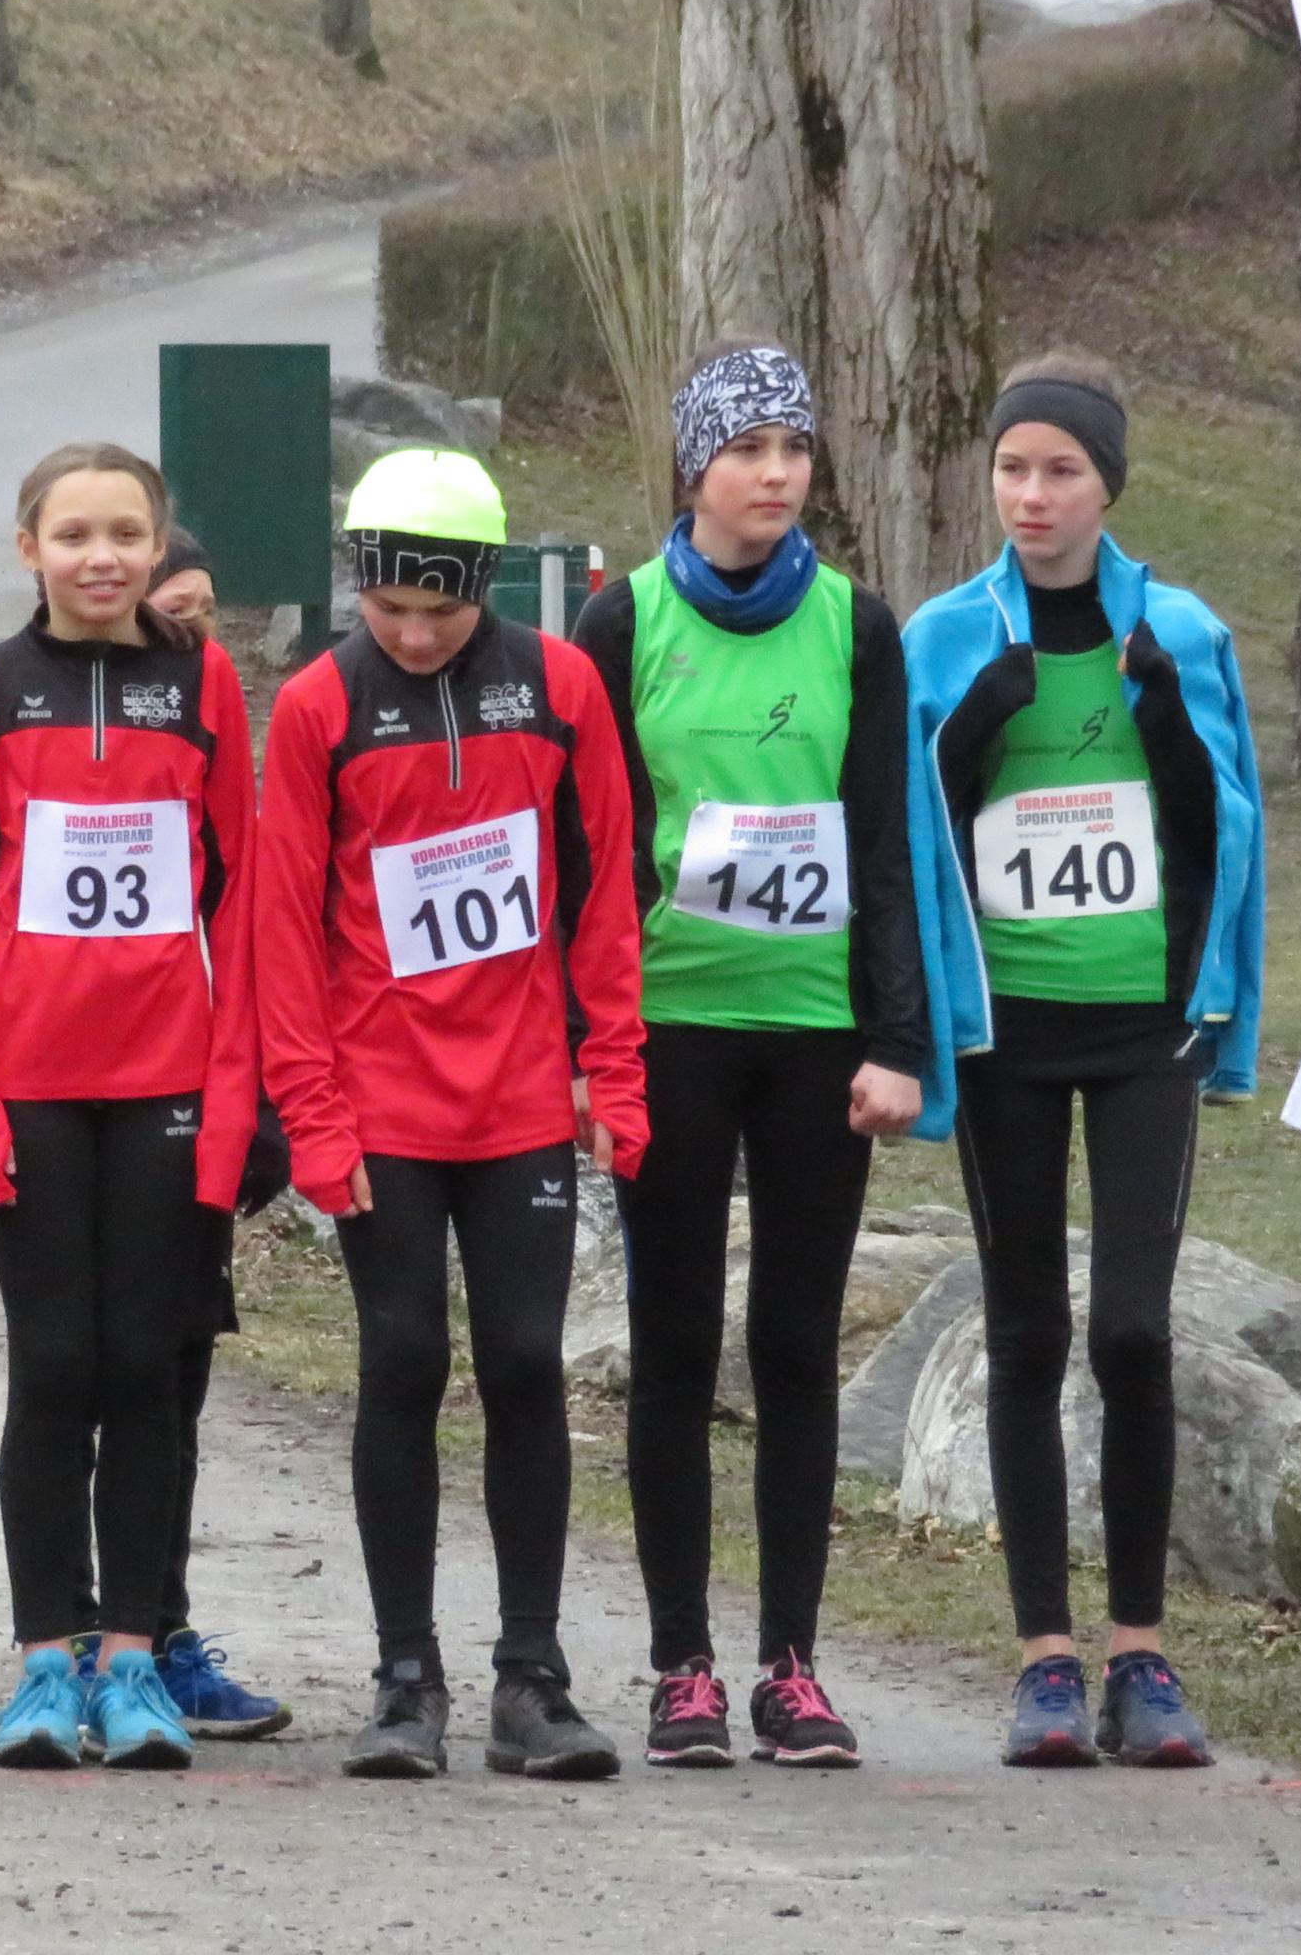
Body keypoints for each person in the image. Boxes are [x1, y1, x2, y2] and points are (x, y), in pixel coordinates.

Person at [256, 448, 645, 1784]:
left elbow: (603, 887)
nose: (415, 636)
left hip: (523, 1090)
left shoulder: (562, 686)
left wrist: (613, 1067)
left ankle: (531, 1678)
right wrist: (312, 1117)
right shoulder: (318, 705)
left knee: (527, 1360)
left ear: (487, 585)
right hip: (380, 1100)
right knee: (405, 1357)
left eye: (442, 610)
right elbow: (282, 928)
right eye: (389, 610)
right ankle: (404, 1674)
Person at [901, 354, 1265, 1771]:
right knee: (1025, 1332)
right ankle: (1045, 1660)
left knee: (1131, 1332)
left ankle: (1142, 1654)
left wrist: (1163, 714)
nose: (1033, 495)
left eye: (1061, 470)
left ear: (1108, 484)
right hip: (1004, 1028)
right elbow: (910, 825)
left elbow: (1227, 828)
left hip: (1142, 1027)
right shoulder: (946, 637)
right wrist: (974, 726)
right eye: (1012, 468)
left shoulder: (1182, 630)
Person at [571, 345, 927, 1770]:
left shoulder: (856, 625)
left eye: (794, 448)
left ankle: (791, 1666)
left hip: (813, 1029)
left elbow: (886, 838)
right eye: (747, 449)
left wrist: (897, 1038)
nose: (777, 474)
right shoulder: (621, 618)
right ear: (693, 467)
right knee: (671, 1345)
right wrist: (590, 1045)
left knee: (793, 1344)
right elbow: (590, 847)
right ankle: (682, 1670)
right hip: (670, 1023)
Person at [0, 442, 254, 1771]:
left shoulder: (204, 686)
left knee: (146, 1376)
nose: (101, 557)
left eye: (126, 532)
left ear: (158, 545)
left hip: (168, 1085)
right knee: (53, 1370)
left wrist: (233, 1106)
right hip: (33, 1089)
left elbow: (242, 897)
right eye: (73, 535)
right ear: (30, 550)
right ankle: (42, 1665)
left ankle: (132, 1661)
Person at [123, 522, 292, 1743]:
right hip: (75, 1104)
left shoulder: (223, 729)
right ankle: (73, 1637)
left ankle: (161, 1631)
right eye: (171, 611)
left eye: (206, 608)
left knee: (172, 1379)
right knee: (74, 1376)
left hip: (198, 1102)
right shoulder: (32, 709)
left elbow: (255, 926)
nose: (195, 632)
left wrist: (264, 1110)